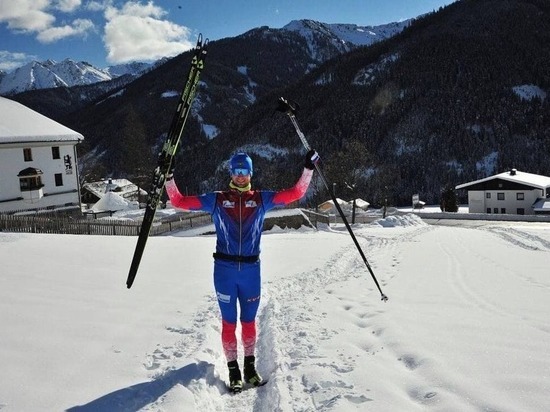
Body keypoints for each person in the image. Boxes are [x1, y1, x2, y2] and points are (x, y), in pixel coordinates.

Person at [165, 150, 318, 393]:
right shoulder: (217, 199)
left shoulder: (261, 199)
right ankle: (233, 370)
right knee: (228, 322)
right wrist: (169, 177)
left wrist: (308, 169)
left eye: (244, 171)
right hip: (224, 271)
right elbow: (179, 202)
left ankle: (250, 368)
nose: (239, 176)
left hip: (250, 271)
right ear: (231, 173)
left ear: (250, 173)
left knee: (248, 322)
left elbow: (296, 193)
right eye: (236, 171)